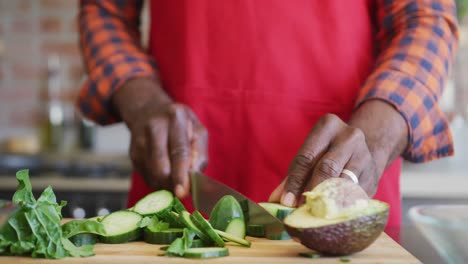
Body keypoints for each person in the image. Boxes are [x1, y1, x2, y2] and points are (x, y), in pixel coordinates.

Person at [77, 0, 459, 241]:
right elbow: (104, 10)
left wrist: (374, 139)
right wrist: (141, 100)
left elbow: (424, 18)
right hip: (178, 178)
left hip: (342, 175)